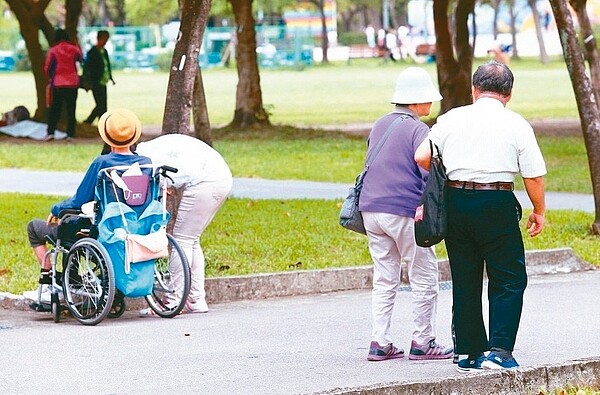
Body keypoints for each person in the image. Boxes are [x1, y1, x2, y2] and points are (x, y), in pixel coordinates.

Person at [414, 61, 547, 371]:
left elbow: (421, 155)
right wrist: (538, 211)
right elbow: (534, 177)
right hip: (496, 200)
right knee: (509, 278)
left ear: (474, 90)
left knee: (465, 276)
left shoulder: (451, 119)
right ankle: (500, 350)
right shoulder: (516, 124)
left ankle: (469, 352)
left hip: (456, 200)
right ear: (509, 94)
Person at [359, 67, 453, 362]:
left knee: (385, 277)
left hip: (371, 210)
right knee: (424, 275)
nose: (432, 105)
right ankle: (422, 341)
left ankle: (379, 341)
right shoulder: (418, 130)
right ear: (417, 100)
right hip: (403, 211)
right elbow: (424, 168)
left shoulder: (379, 125)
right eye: (429, 99)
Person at [26, 109, 151, 300]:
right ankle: (73, 276)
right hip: (137, 227)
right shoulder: (146, 164)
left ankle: (49, 274)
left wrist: (56, 209)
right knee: (75, 228)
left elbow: (79, 201)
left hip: (102, 229)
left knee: (36, 227)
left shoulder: (102, 163)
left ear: (107, 137)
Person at [135, 134, 233, 315]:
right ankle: (195, 299)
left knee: (183, 240)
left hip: (206, 182)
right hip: (220, 177)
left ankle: (173, 300)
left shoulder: (144, 162)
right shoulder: (150, 149)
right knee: (192, 240)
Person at [44, 28, 83, 141]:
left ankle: (51, 132)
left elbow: (47, 67)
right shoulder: (74, 49)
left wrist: (50, 78)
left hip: (58, 83)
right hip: (72, 82)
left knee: (55, 109)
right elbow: (81, 59)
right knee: (71, 109)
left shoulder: (53, 50)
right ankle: (70, 134)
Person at [83, 30, 115, 125]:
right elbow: (87, 67)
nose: (105, 42)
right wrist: (87, 81)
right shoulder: (92, 52)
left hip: (103, 81)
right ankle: (90, 121)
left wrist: (110, 77)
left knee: (103, 105)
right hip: (96, 81)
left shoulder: (104, 51)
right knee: (100, 105)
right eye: (104, 39)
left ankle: (100, 123)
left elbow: (107, 65)